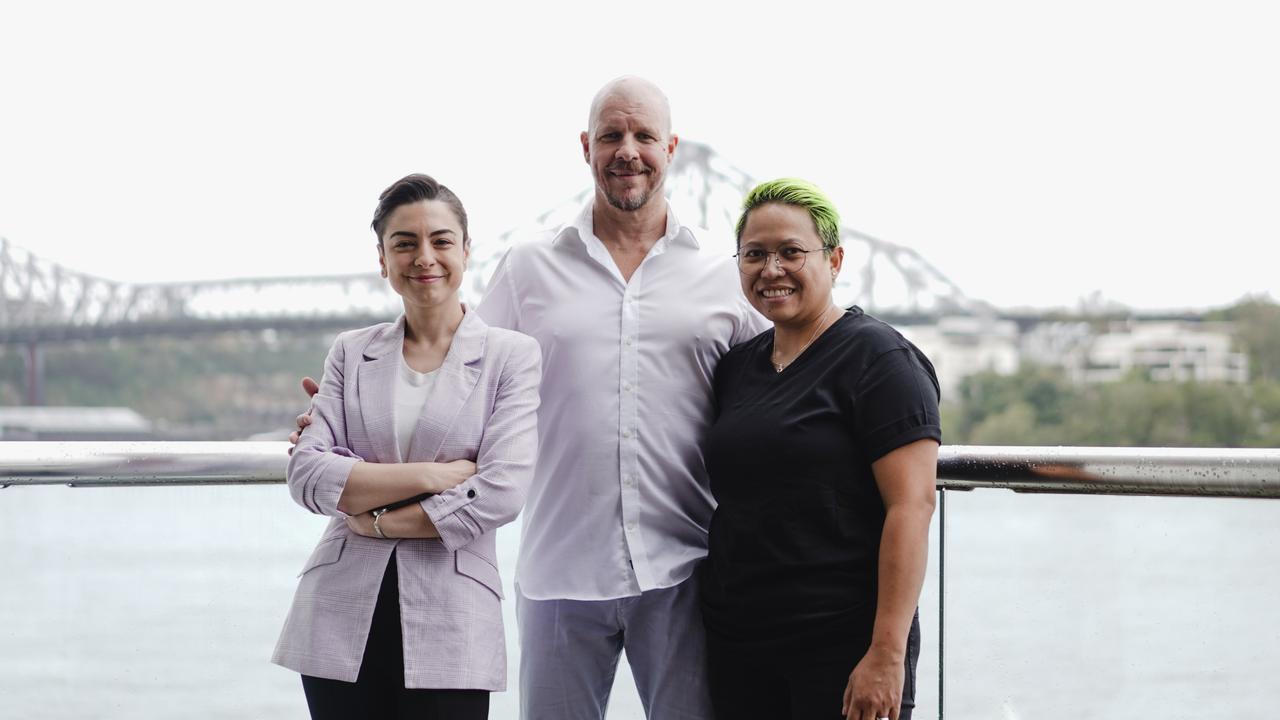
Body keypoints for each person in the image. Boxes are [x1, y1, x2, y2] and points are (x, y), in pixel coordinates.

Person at [273, 173, 542, 720]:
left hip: (453, 617)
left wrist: (376, 518)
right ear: (383, 259)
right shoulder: (351, 352)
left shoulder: (511, 356)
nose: (425, 257)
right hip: (338, 614)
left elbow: (501, 491)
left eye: (442, 241)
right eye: (405, 243)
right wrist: (433, 477)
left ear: (467, 251)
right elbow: (307, 474)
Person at [698, 178, 940, 720]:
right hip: (741, 647)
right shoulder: (739, 366)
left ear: (834, 260)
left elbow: (912, 507)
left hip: (842, 646)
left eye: (791, 252)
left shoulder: (881, 360)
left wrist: (886, 655)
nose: (772, 269)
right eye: (754, 254)